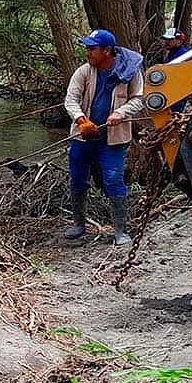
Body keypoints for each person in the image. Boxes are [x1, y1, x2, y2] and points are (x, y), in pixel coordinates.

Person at [63, 29, 145, 245]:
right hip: (83, 138)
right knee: (78, 178)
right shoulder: (83, 72)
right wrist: (82, 120)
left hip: (113, 140)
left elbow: (138, 99)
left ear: (107, 51)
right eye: (87, 48)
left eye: (92, 49)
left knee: (113, 179)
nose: (87, 53)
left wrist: (120, 113)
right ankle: (79, 225)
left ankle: (121, 231)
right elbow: (70, 100)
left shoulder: (131, 72)